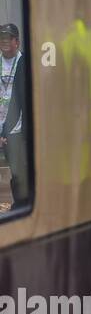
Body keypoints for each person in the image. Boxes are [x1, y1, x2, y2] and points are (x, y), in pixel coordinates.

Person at [0, 23, 29, 209]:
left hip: (15, 128)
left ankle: (20, 206)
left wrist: (6, 133)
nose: (4, 41)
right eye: (1, 38)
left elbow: (24, 101)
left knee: (18, 171)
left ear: (17, 42)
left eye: (8, 38)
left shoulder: (24, 63)